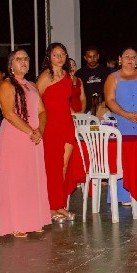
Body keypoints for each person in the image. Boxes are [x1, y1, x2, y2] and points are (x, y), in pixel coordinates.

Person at [0, 49, 51, 237]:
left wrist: (40, 130)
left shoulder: (32, 85)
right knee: (17, 179)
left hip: (34, 137)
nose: (24, 62)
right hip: (16, 136)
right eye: (19, 59)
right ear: (11, 64)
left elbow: (42, 111)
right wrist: (30, 131)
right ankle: (16, 223)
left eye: (26, 59)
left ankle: (32, 220)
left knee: (32, 178)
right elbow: (9, 114)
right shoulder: (6, 85)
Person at [104, 47, 137, 204]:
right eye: (127, 56)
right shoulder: (112, 77)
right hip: (123, 123)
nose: (130, 59)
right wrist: (125, 114)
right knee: (123, 159)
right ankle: (124, 196)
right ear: (120, 59)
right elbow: (110, 100)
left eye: (133, 57)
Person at [37, 43, 77, 223]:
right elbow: (35, 101)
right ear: (49, 57)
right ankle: (50, 207)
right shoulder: (46, 76)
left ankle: (59, 204)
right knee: (53, 166)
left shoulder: (67, 76)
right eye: (55, 55)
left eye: (62, 54)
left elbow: (65, 101)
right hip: (51, 125)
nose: (59, 58)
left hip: (66, 124)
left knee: (64, 166)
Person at [76, 45, 111, 113]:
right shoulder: (80, 73)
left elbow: (110, 91)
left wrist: (104, 103)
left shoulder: (105, 71)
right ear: (85, 58)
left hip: (103, 109)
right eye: (90, 57)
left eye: (94, 56)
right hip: (86, 110)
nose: (92, 59)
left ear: (98, 56)